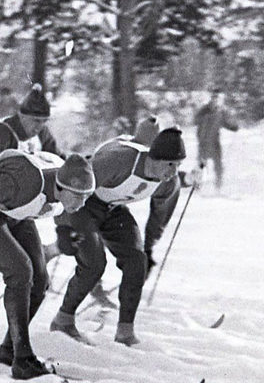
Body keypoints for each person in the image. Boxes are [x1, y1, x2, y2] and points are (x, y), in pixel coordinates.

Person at [0, 151, 96, 379]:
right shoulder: (23, 184)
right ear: (60, 187)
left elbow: (60, 213)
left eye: (86, 197)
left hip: (17, 214)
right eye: (77, 197)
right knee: (20, 272)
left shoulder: (63, 189)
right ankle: (23, 359)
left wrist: (67, 236)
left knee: (40, 281)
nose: (81, 204)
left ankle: (9, 349)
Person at [50, 125, 187, 347]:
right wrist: (62, 227)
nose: (173, 171)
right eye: (170, 164)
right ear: (153, 157)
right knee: (94, 263)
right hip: (83, 205)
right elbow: (68, 187)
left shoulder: (168, 184)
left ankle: (125, 333)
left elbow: (159, 216)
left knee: (136, 261)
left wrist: (149, 246)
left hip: (112, 209)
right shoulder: (120, 160)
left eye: (178, 165)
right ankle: (63, 320)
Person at [0, 85, 64, 307]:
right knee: (1, 249)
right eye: (35, 121)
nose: (40, 127)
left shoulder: (39, 135)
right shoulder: (1, 133)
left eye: (44, 121)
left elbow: (55, 159)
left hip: (16, 203)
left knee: (8, 252)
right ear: (21, 115)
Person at [192, 91, 241, 192]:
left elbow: (226, 123)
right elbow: (195, 121)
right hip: (203, 142)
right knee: (201, 166)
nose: (215, 100)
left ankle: (218, 187)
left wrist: (233, 127)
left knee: (218, 166)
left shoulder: (221, 112)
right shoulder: (204, 110)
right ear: (211, 99)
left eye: (217, 99)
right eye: (214, 98)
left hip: (215, 143)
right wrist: (203, 119)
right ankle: (197, 187)